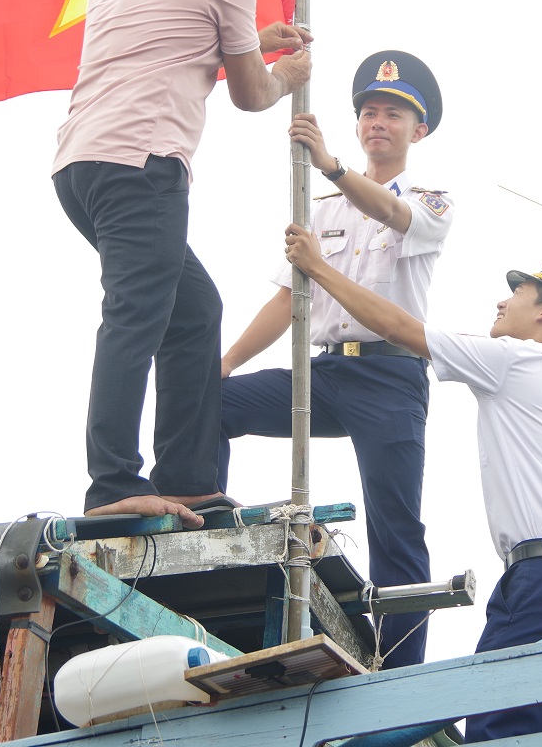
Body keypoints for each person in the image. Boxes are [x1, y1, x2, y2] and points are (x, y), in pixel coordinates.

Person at [283, 230, 542, 740]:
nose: (501, 302)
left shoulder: (516, 359)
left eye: (517, 292)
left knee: (495, 725)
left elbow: (399, 329)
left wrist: (318, 268)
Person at [51, 0, 313, 526]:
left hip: (82, 167)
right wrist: (288, 73)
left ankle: (188, 479)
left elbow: (170, 47)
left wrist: (256, 40)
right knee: (137, 315)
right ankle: (112, 484)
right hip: (141, 164)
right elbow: (252, 93)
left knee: (193, 310)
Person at [219, 50, 450, 669]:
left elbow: (391, 212)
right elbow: (287, 300)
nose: (379, 122)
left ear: (419, 130)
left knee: (395, 525)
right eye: (370, 112)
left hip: (391, 377)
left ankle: (399, 670)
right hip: (326, 372)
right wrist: (229, 360)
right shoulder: (320, 209)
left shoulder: (431, 201)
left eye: (394, 114)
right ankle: (206, 525)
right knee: (211, 403)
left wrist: (332, 164)